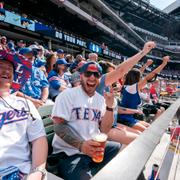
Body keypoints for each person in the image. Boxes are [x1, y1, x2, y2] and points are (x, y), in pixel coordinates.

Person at [51, 61, 121, 180]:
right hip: (68, 153)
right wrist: (81, 145)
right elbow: (58, 126)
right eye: (88, 73)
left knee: (116, 147)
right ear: (81, 76)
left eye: (96, 74)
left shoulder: (100, 99)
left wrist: (109, 107)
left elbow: (104, 130)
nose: (92, 77)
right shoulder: (68, 95)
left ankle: (88, 171)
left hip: (91, 148)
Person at [0, 50, 48, 179]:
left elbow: (38, 138)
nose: (6, 71)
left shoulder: (25, 103)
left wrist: (37, 171)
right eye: (0, 66)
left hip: (25, 173)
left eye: (10, 68)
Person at [118, 56, 170, 132]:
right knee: (149, 132)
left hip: (130, 116)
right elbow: (149, 76)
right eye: (140, 77)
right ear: (137, 78)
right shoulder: (131, 88)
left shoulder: (127, 87)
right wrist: (163, 64)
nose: (141, 78)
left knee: (150, 127)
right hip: (125, 118)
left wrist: (146, 65)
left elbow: (137, 73)